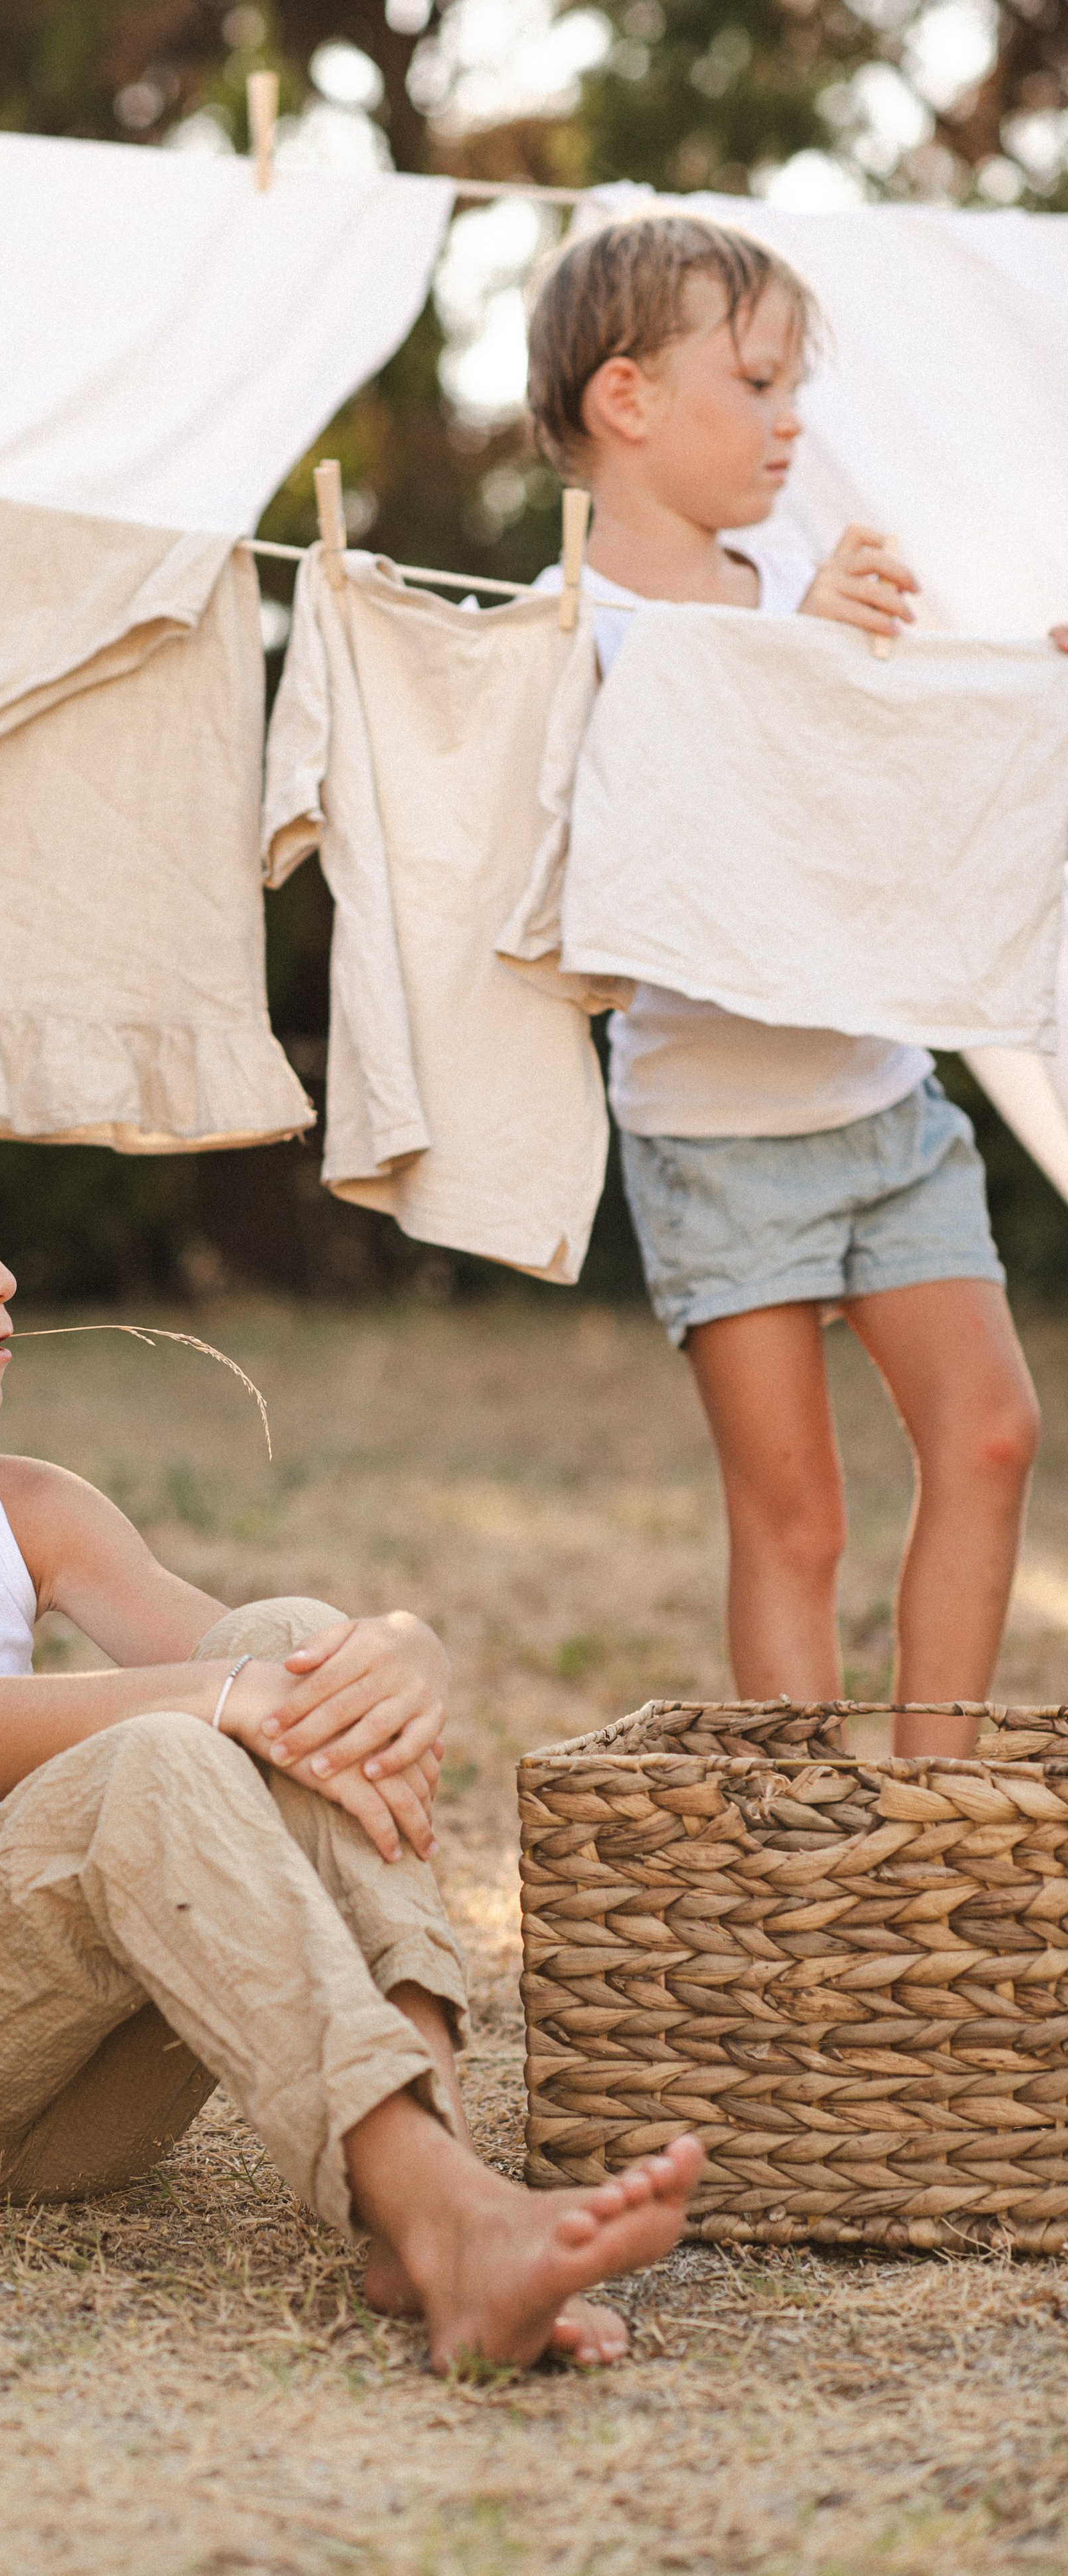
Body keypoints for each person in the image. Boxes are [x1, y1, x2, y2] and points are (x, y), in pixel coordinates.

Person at [0, 1048, 702, 2377]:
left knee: (290, 1642)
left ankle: (429, 2200)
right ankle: (446, 2219)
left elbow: (274, 1676)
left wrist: (398, 1650)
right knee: (168, 1746)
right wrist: (232, 1700)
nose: (2, 1277)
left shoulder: (28, 1509)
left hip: (79, 2092)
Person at [526, 214, 1047, 1757]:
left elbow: (884, 801)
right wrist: (789, 671)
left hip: (882, 1101)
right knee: (793, 1516)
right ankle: (802, 1844)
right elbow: (647, 827)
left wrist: (1017, 687)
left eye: (792, 387)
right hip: (715, 1136)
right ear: (626, 399)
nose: (789, 420)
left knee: (991, 1432)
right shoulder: (566, 627)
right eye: (754, 384)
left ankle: (926, 1811)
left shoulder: (796, 585)